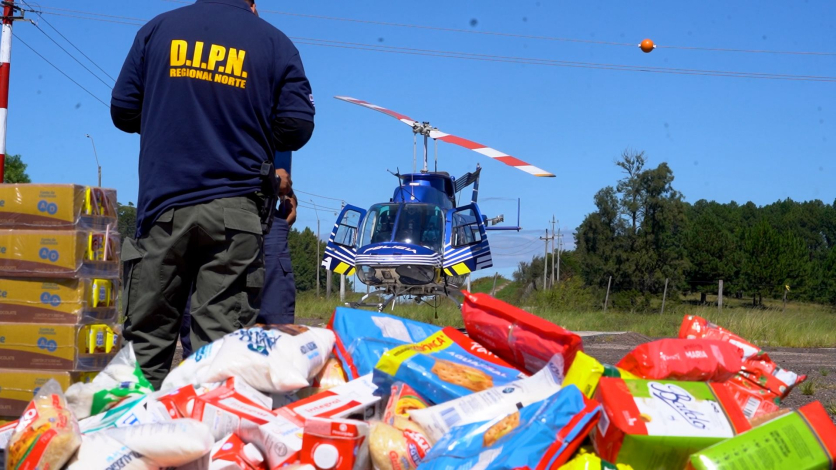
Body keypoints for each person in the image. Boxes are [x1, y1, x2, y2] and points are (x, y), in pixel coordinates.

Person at [111, 0, 315, 388]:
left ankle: (126, 438)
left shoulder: (157, 29)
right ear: (252, 3)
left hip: (163, 206)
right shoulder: (274, 43)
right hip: (235, 213)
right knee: (217, 352)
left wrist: (170, 114)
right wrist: (246, 129)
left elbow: (123, 111)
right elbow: (297, 126)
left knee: (144, 347)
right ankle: (209, 440)